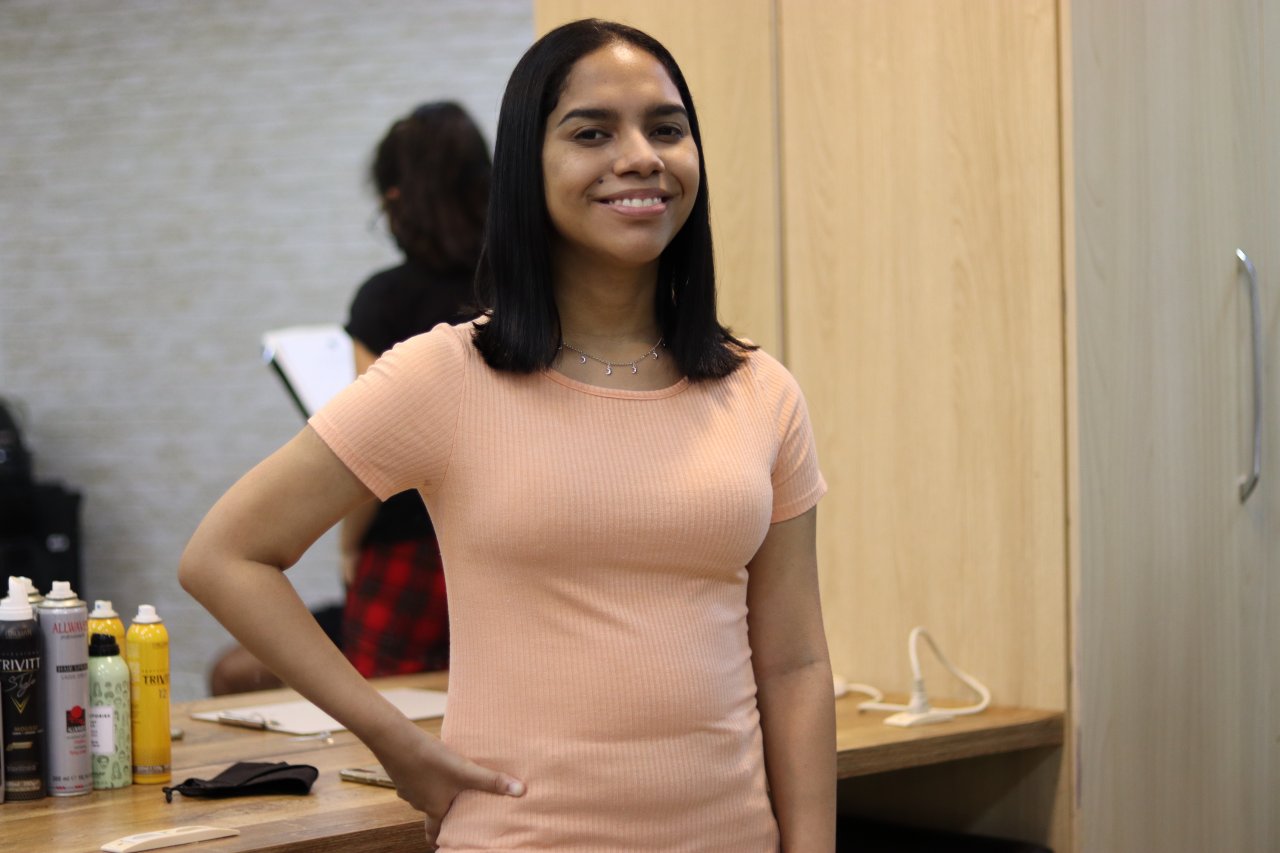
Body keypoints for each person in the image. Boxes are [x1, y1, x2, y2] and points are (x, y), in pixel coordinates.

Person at [180, 18, 835, 852]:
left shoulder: (762, 390)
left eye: (667, 128)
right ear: (527, 165)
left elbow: (794, 663)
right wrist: (394, 739)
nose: (641, 156)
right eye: (592, 132)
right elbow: (225, 556)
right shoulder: (446, 374)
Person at [207, 102, 490, 695]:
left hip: (409, 550)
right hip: (501, 540)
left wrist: (348, 545)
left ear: (396, 198)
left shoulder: (386, 300)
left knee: (390, 711)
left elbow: (370, 445)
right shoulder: (526, 291)